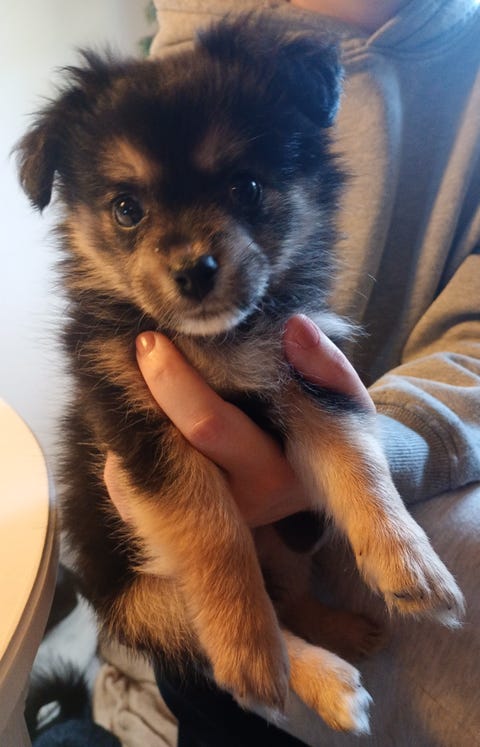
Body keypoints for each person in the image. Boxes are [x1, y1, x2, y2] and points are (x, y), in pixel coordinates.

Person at [104, 1, 480, 744]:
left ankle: (299, 616)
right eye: (128, 208)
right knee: (148, 618)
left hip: (354, 587)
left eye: (243, 191)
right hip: (170, 598)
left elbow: (313, 403)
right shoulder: (162, 75)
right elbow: (142, 467)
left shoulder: (273, 80)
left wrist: (375, 494)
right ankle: (287, 640)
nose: (187, 255)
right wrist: (229, 593)